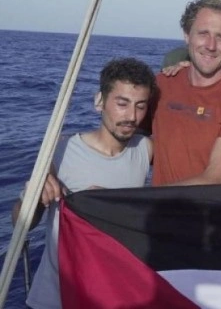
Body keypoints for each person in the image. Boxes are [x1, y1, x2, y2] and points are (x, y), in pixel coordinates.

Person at [12, 58, 156, 309]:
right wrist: (32, 194)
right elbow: (21, 222)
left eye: (140, 106)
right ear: (99, 101)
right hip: (55, 298)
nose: (132, 116)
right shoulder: (61, 149)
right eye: (122, 104)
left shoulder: (145, 149)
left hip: (110, 295)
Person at [149, 0, 221, 185]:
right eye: (203, 33)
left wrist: (143, 198)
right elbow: (127, 140)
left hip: (212, 204)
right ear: (187, 35)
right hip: (158, 204)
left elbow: (215, 179)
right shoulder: (162, 85)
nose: (211, 45)